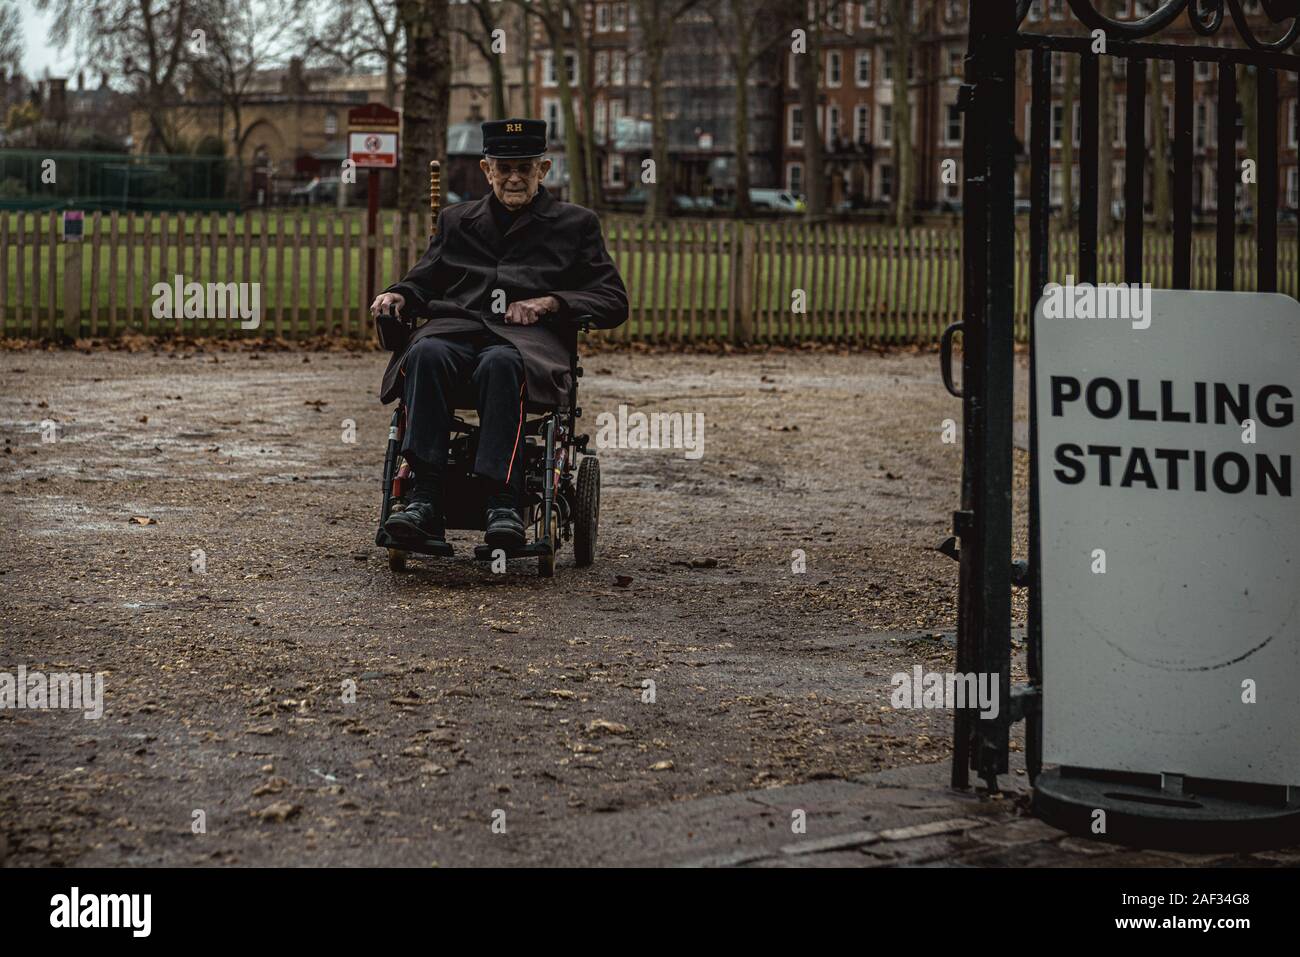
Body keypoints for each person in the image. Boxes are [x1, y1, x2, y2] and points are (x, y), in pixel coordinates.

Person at [370, 118, 628, 549]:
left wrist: (552, 303)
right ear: (486, 170)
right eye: (503, 168)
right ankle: (424, 500)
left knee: (501, 362)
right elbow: (423, 281)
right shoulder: (457, 221)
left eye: (524, 168)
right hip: (456, 331)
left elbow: (613, 300)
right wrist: (396, 294)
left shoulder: (575, 224)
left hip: (526, 343)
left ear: (543, 170)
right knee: (426, 353)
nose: (513, 177)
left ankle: (502, 503)